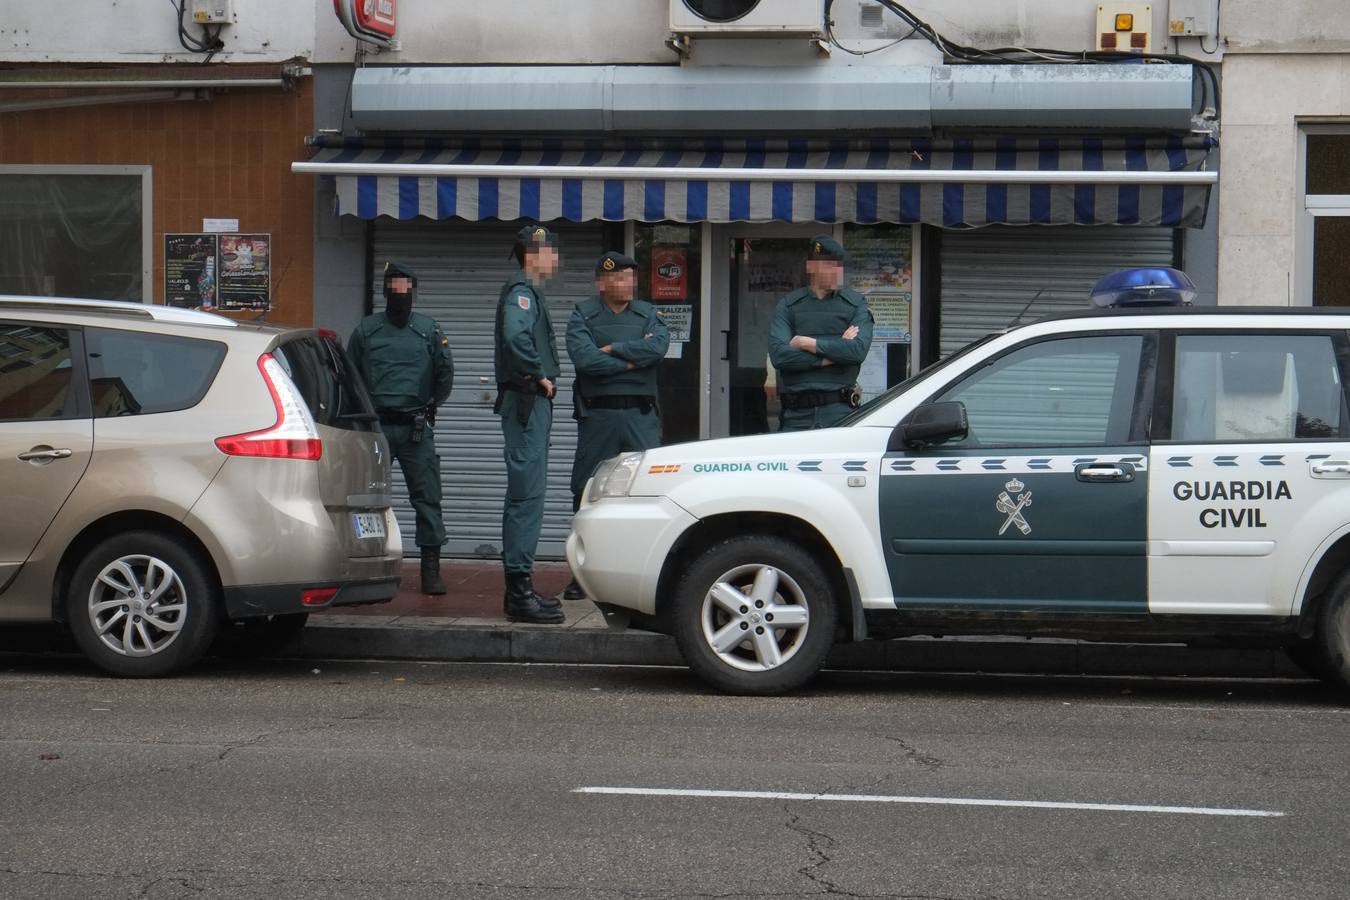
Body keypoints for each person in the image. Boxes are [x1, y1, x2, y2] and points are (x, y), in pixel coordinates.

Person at [562, 251, 670, 600]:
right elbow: (584, 360)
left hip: (640, 416)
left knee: (648, 490)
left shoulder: (649, 314)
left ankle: (646, 571)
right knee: (587, 490)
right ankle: (582, 572)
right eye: (620, 278)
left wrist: (614, 349)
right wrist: (628, 363)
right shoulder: (583, 314)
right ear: (602, 283)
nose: (628, 284)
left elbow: (657, 350)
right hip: (599, 417)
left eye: (631, 277)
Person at [347, 261, 455, 594]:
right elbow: (351, 378)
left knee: (427, 498)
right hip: (377, 429)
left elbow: (445, 374)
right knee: (365, 499)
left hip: (415, 429)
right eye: (395, 287)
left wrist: (429, 405)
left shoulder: (429, 330)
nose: (400, 294)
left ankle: (431, 568)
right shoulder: (367, 331)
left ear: (413, 291)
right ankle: (364, 563)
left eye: (406, 287)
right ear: (385, 291)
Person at [494, 224, 566, 624]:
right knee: (527, 498)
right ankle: (519, 594)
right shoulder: (521, 294)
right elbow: (515, 338)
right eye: (551, 252)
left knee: (527, 496)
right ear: (533, 254)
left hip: (530, 404)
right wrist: (539, 374)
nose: (556, 259)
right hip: (526, 402)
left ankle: (519, 588)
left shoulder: (529, 293)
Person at [767, 235, 874, 431]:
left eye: (838, 266)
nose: (836, 272)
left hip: (839, 414)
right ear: (811, 267)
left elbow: (857, 351)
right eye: (828, 265)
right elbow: (779, 356)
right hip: (796, 416)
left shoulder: (855, 304)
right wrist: (833, 354)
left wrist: (806, 343)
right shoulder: (789, 305)